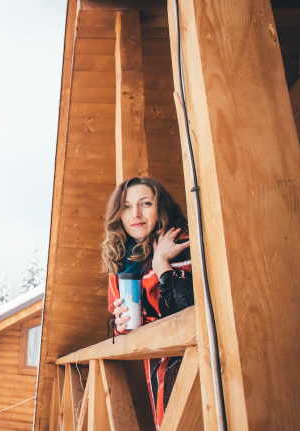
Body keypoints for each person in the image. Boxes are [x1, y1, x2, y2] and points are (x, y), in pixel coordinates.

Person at [101, 177, 194, 430]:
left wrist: (161, 263)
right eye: (127, 207)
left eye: (146, 203)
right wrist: (120, 324)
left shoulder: (181, 240)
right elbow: (119, 323)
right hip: (158, 365)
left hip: (197, 361)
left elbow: (188, 311)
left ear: (160, 206)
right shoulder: (121, 260)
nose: (136, 214)